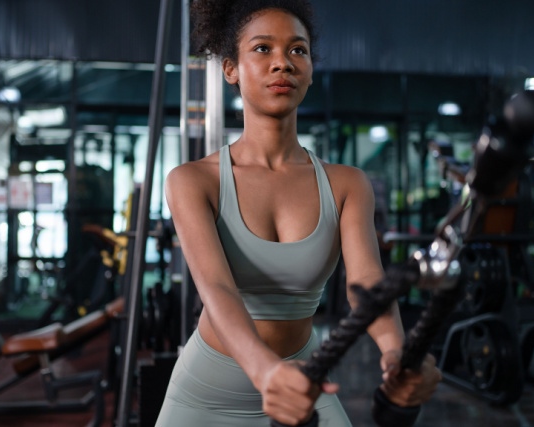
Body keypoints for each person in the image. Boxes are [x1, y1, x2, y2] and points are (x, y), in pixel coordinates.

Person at [157, 1, 441, 425]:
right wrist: (267, 373)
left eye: (297, 50)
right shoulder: (193, 180)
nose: (282, 64)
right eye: (262, 49)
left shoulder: (347, 184)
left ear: (310, 69)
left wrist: (396, 353)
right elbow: (217, 289)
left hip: (304, 382)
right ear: (230, 68)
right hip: (206, 397)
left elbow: (366, 284)